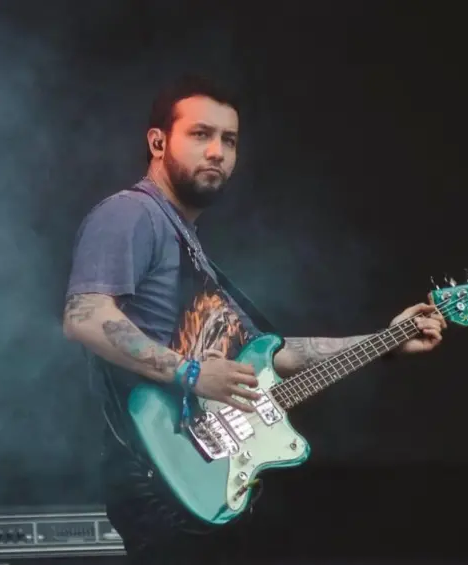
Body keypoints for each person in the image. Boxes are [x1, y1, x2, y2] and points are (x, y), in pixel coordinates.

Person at [62, 74, 446, 564]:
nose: (218, 151)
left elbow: (275, 354)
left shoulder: (195, 255)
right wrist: (193, 373)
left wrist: (387, 338)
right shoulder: (131, 214)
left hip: (213, 476)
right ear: (158, 142)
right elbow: (85, 316)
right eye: (200, 134)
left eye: (229, 140)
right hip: (161, 471)